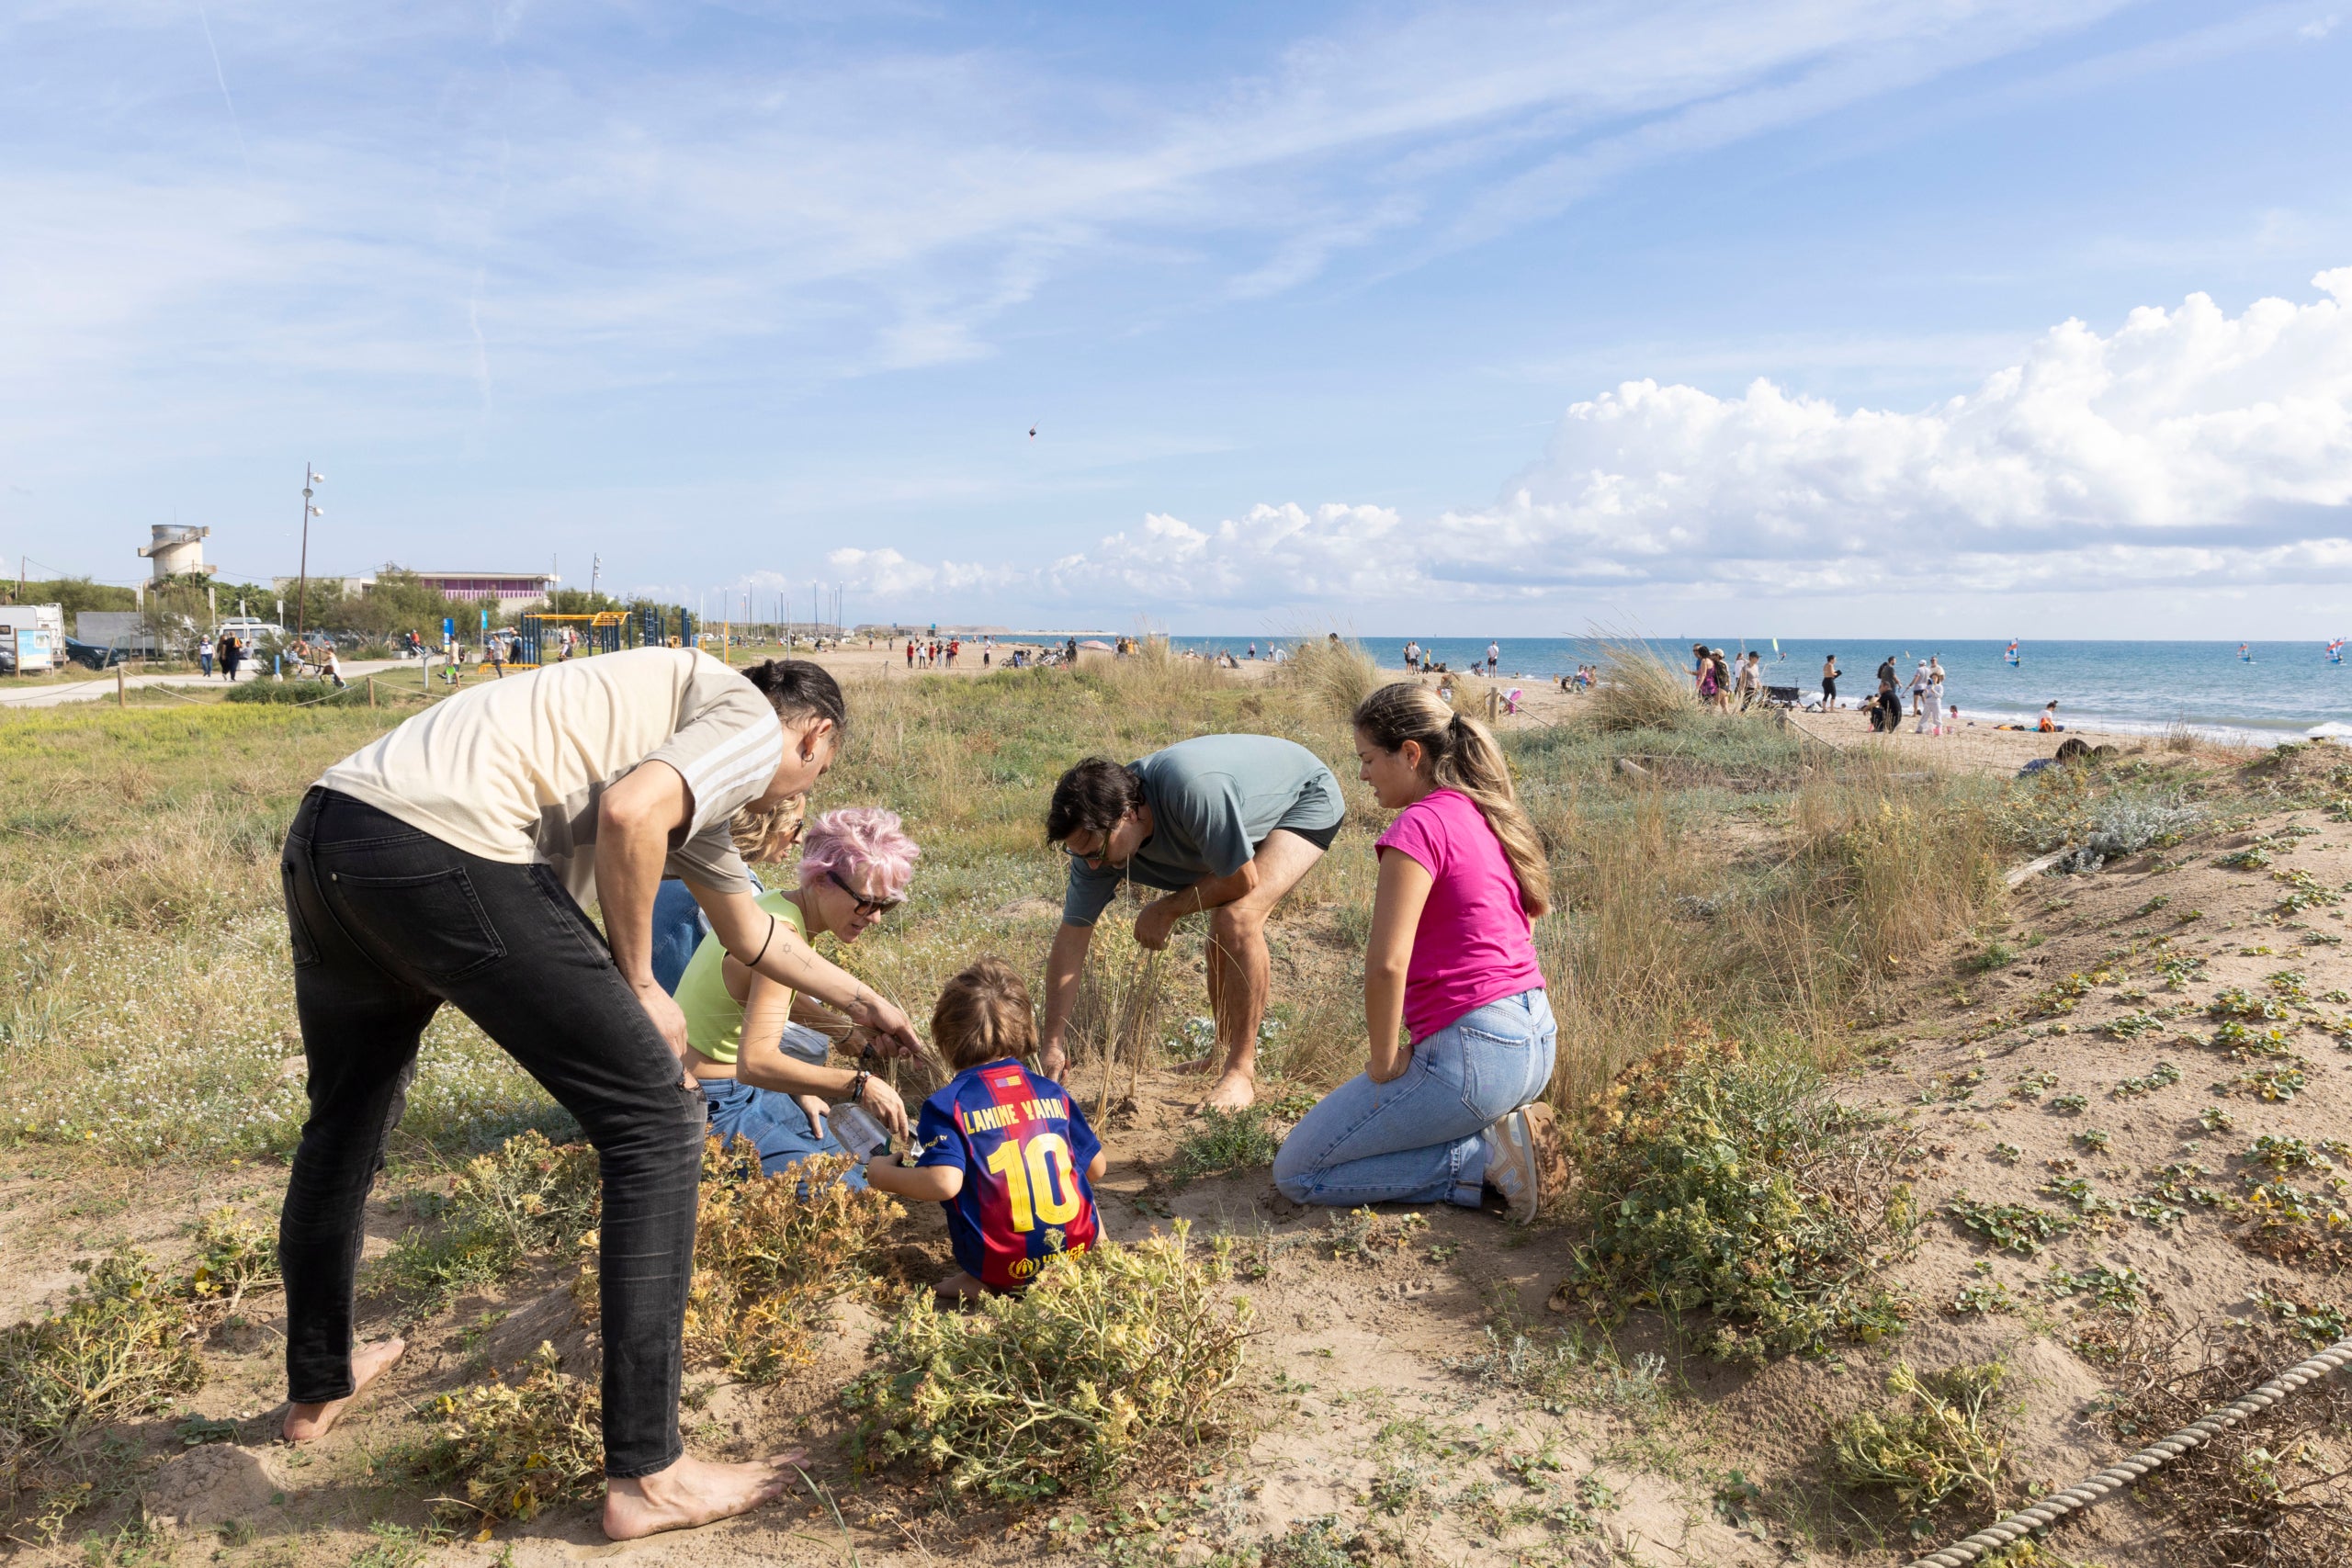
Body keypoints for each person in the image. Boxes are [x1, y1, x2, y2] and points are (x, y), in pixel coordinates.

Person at [275, 651, 923, 1540]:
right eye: (816, 769)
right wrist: (640, 986)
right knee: (659, 1118)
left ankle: (319, 1384)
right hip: (446, 842)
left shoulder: (677, 754)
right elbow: (627, 815)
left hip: (333, 834)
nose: (790, 792)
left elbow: (748, 927)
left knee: (346, 1122)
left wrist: (861, 998)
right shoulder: (739, 715)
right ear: (816, 737)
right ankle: (649, 1473)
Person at [1273, 683, 1566, 1220]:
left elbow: (1387, 964)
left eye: (1367, 758)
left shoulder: (1419, 825)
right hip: (1535, 1041)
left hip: (1478, 1054)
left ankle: (1484, 1160)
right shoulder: (1486, 813)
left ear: (1411, 754)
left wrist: (1384, 1061)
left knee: (1298, 1172)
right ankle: (1501, 1138)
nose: (1361, 774)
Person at [1039, 736, 1344, 1111]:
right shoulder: (1094, 847)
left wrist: (1165, 910)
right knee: (1224, 919)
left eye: (1096, 851)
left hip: (1302, 798)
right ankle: (1220, 1054)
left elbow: (1240, 879)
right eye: (1079, 853)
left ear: (1129, 813)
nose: (1092, 865)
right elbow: (1072, 937)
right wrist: (1053, 1041)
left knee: (1236, 918)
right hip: (1233, 815)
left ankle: (1240, 1071)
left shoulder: (1191, 789)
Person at [678, 807, 924, 1182]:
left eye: (884, 905)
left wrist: (843, 1031)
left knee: (855, 1158)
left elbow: (761, 998)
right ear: (821, 878)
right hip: (713, 1101)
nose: (874, 916)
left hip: (738, 1088)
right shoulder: (782, 934)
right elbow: (756, 1064)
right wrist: (859, 1084)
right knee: (849, 1192)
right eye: (866, 901)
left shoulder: (777, 905)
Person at [862, 957, 1103, 1299]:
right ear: (1025, 1030)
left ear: (945, 1038)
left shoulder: (947, 1105)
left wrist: (880, 1176)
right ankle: (1097, 1256)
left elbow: (943, 1182)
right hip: (1075, 1253)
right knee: (1079, 1189)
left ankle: (978, 1281)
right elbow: (1096, 1169)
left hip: (1003, 1268)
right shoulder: (1052, 1092)